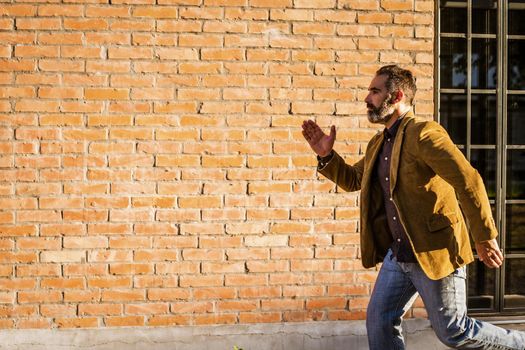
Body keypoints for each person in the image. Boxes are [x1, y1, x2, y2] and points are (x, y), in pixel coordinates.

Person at [301, 65, 525, 349]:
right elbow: (354, 179)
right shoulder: (378, 144)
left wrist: (483, 236)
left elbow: (468, 180)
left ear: (396, 96)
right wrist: (326, 155)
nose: (367, 98)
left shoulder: (425, 134)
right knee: (380, 321)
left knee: (454, 331)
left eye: (374, 91)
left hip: (435, 251)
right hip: (400, 255)